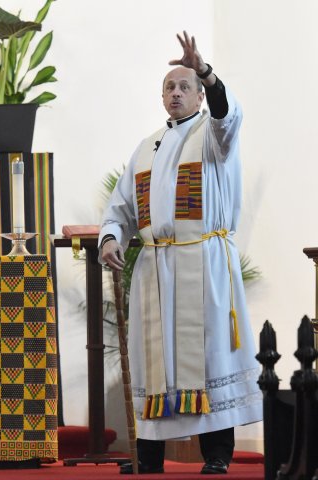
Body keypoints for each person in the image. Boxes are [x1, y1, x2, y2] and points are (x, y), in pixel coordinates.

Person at [99, 31, 262, 475]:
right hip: (155, 270)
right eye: (169, 87)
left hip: (203, 264)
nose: (175, 93)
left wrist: (207, 72)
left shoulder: (214, 135)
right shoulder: (146, 148)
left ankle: (217, 457)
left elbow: (228, 112)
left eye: (184, 86)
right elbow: (120, 210)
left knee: (208, 359)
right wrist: (112, 238)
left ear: (198, 95)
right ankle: (147, 458)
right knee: (156, 366)